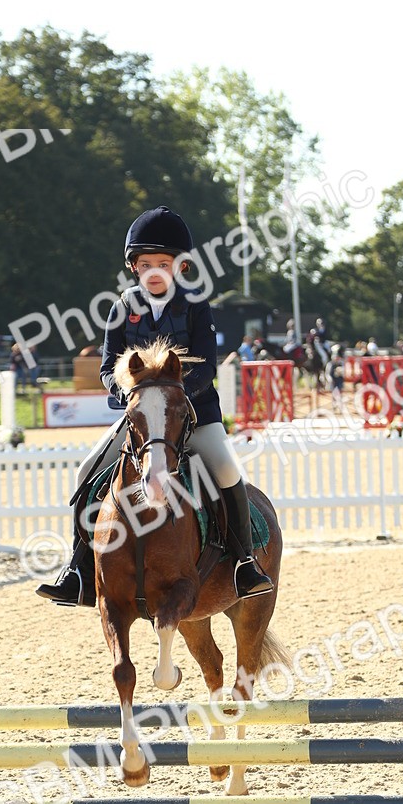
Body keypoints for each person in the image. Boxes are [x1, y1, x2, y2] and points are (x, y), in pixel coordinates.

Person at [36, 205, 274, 607]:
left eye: (163, 263)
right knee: (84, 472)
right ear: (134, 267)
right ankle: (78, 569)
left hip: (193, 414)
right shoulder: (121, 308)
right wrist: (128, 394)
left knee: (228, 471)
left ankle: (244, 564)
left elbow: (206, 367)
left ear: (179, 266)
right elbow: (109, 368)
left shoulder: (196, 305)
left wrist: (173, 398)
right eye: (145, 264)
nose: (154, 271)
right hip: (142, 421)